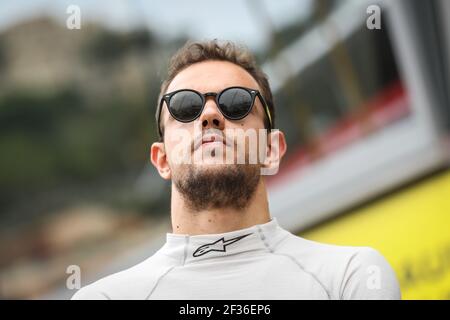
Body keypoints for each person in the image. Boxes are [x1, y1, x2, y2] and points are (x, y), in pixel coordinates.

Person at [72, 40, 401, 300]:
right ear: (162, 160)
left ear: (270, 151)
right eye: (185, 107)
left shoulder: (351, 277)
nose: (211, 115)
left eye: (237, 103)